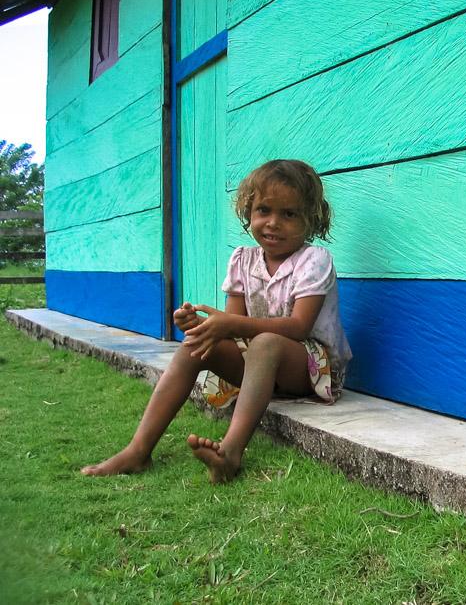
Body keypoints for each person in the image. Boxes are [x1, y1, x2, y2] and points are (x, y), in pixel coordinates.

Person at [81, 159, 351, 483]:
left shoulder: (314, 261)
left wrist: (230, 324)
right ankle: (138, 450)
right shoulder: (242, 259)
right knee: (196, 345)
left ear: (311, 218)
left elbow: (298, 328)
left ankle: (230, 453)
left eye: (289, 214)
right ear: (248, 212)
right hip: (260, 364)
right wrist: (201, 326)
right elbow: (233, 326)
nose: (273, 223)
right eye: (264, 210)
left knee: (265, 343)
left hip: (309, 366)